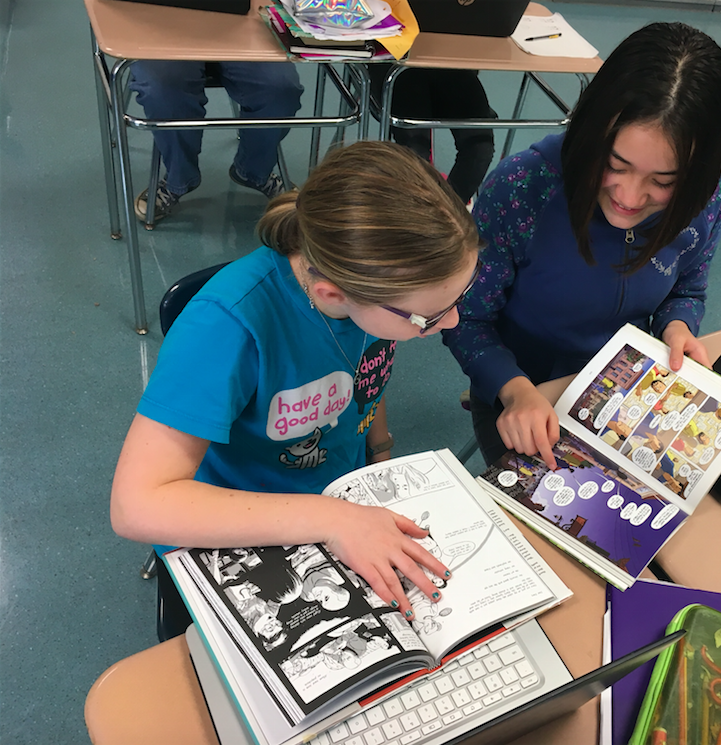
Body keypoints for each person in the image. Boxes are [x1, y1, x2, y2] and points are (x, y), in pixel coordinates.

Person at [111, 140, 480, 640]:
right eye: (429, 316)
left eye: (458, 299)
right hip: (241, 525)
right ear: (333, 292)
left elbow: (363, 377)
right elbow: (136, 506)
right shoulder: (227, 325)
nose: (451, 321)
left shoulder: (365, 298)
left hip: (339, 500)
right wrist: (332, 519)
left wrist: (381, 450)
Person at [442, 22, 721, 469]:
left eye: (663, 182)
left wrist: (677, 327)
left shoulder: (707, 194)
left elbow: (688, 288)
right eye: (616, 164)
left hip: (629, 389)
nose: (630, 198)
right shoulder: (525, 186)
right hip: (522, 390)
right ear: (592, 132)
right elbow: (464, 317)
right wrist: (513, 388)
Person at [128, 61, 305, 222]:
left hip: (239, 33)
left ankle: (254, 172)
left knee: (281, 88)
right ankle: (179, 179)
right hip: (162, 33)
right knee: (164, 89)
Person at [368, 66, 497, 204]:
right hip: (398, 64)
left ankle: (449, 210)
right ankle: (417, 212)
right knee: (416, 152)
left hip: (450, 63)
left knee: (480, 148)